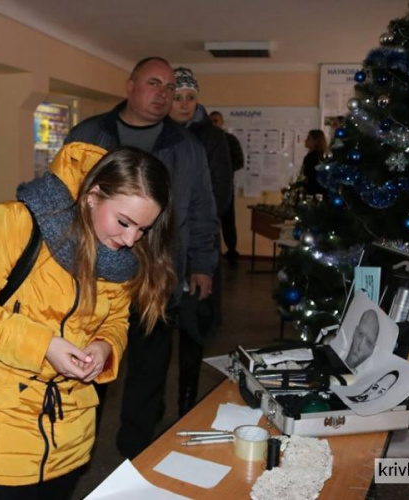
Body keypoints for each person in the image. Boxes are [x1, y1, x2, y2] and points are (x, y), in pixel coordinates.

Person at [0, 143, 176, 498]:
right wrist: (44, 346)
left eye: (143, 230)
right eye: (124, 222)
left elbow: (117, 320)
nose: (130, 240)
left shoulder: (119, 259)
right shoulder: (15, 222)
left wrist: (104, 347)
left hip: (69, 432)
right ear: (93, 196)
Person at [66, 56, 219, 458]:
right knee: (90, 364)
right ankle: (78, 445)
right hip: (95, 276)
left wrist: (203, 265)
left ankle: (136, 451)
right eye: (154, 83)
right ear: (130, 85)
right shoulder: (90, 134)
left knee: (149, 370)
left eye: (170, 88)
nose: (163, 95)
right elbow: (66, 200)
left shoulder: (186, 146)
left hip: (158, 277)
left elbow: (203, 207)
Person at [168, 67, 233, 416]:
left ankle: (187, 403)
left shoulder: (212, 139)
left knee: (192, 332)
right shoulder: (157, 135)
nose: (183, 104)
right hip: (161, 255)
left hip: (196, 248)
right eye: (177, 97)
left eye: (190, 98)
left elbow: (219, 196)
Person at [209, 110, 244, 268]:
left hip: (226, 187)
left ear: (222, 122)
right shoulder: (204, 140)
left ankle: (232, 253)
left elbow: (239, 161)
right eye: (211, 121)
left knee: (229, 222)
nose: (214, 124)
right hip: (207, 189)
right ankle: (209, 253)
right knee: (208, 221)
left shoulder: (230, 140)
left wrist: (223, 170)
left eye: (216, 121)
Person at [301, 129, 328, 197]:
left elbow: (308, 176)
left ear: (316, 141)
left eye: (309, 138)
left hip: (313, 192)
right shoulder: (322, 156)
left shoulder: (312, 157)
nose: (306, 140)